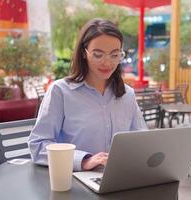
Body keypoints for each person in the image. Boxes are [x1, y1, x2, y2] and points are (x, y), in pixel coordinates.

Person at [28, 18, 147, 172]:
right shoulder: (60, 92)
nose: (107, 63)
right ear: (84, 53)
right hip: (76, 180)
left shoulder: (127, 94)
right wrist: (83, 160)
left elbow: (142, 140)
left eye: (114, 55)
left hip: (119, 178)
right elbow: (38, 145)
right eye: (98, 55)